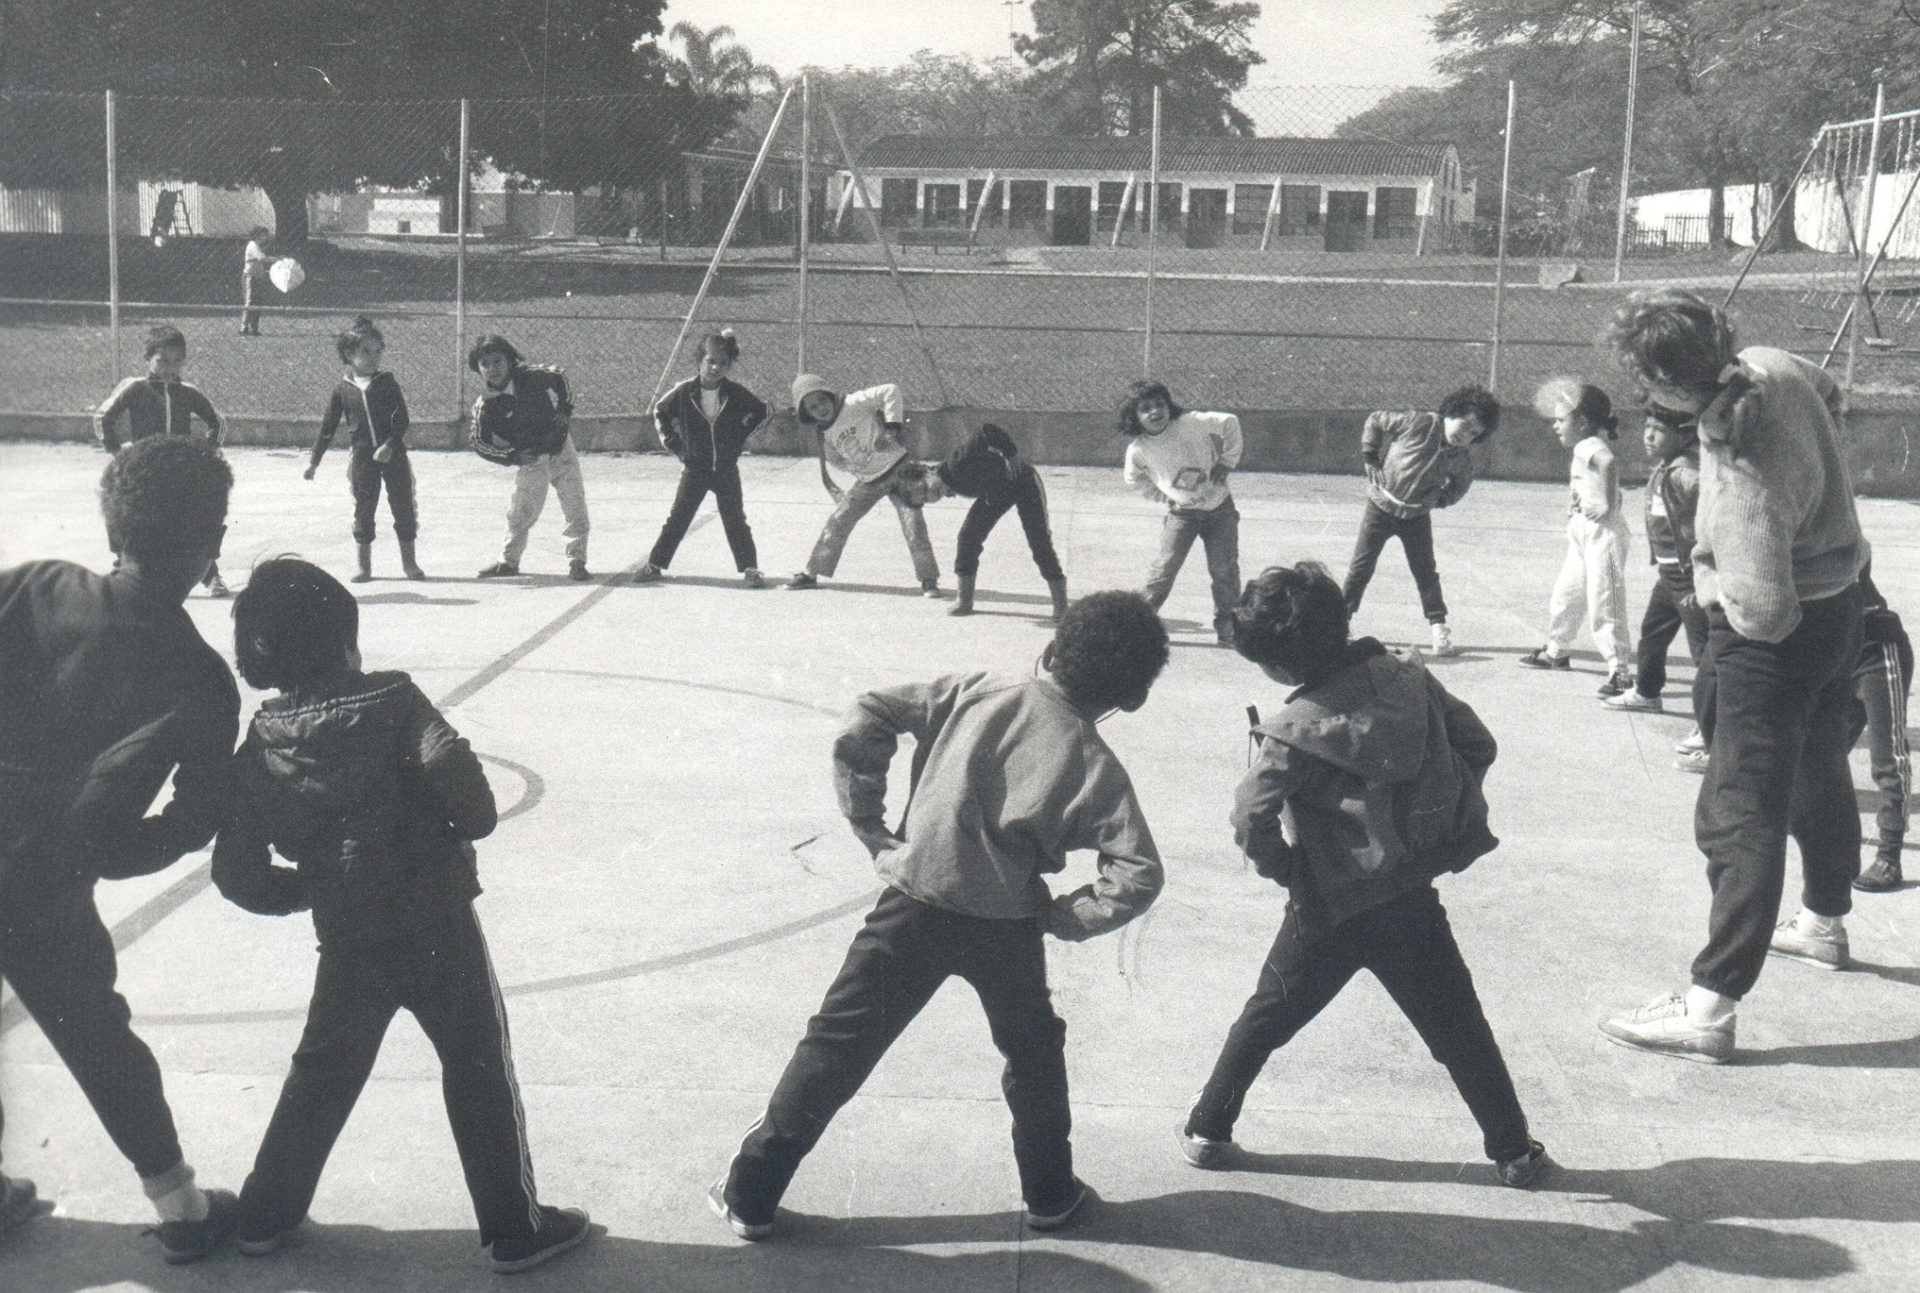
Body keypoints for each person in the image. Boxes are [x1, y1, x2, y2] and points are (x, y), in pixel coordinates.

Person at [712, 591, 1170, 1240]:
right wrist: (1066, 916)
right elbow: (1140, 872)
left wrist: (867, 814)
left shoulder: (976, 690)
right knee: (1033, 1057)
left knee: (836, 1045)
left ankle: (749, 1194)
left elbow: (870, 710)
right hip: (1007, 927)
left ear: (1051, 649)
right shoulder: (1097, 764)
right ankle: (1050, 1194)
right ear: (1129, 698)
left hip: (911, 906)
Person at [210, 558, 590, 1273]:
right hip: (437, 923)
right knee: (476, 1063)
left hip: (347, 934)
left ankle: (264, 1213)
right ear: (347, 643)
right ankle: (514, 1227)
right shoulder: (394, 697)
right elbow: (472, 803)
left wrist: (308, 890)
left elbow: (236, 873)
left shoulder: (260, 746)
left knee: (321, 1071)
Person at [1179, 563, 1549, 1188]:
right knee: (1460, 1029)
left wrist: (1286, 867)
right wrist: (1427, 821)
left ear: (1278, 666)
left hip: (1326, 905)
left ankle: (1207, 1129)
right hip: (1409, 897)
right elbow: (1477, 744)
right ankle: (1515, 1151)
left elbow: (1249, 817)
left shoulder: (1292, 731)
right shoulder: (1407, 678)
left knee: (1267, 1016)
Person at [1598, 289, 1866, 1063]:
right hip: (1840, 608)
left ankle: (1710, 1002)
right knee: (1818, 769)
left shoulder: (1738, 460)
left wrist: (1715, 596)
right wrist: (1821, 476)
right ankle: (1822, 920)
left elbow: (1763, 604)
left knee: (1739, 809)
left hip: (1771, 640)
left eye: (1645, 383)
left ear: (1667, 385)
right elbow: (1830, 392)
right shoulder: (1772, 365)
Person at [0, 437, 242, 1262]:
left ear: (116, 526)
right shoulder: (202, 678)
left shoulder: (34, 583)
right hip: (41, 882)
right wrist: (101, 849)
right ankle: (181, 1206)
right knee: (98, 1034)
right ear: (210, 543)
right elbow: (192, 819)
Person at [1340, 384, 1497, 657]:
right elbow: (1376, 420)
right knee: (1360, 568)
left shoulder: (1461, 458)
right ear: (1451, 411)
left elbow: (1460, 485)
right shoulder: (1417, 422)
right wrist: (1370, 456)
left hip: (1416, 517)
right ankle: (1339, 625)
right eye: (1465, 424)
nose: (1466, 435)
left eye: (1474, 434)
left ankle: (1439, 630)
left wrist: (1439, 500)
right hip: (1380, 508)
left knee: (1425, 573)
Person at [92, 325, 230, 598]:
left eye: (178, 361)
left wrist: (204, 453)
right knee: (133, 518)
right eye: (163, 360)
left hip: (181, 471)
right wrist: (117, 451)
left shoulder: (188, 392)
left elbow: (218, 422)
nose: (170, 367)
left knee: (191, 521)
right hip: (144, 471)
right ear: (147, 358)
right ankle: (125, 570)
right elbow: (102, 417)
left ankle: (210, 576)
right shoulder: (134, 388)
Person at [1517, 380, 1634, 696]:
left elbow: (1609, 463)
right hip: (1584, 533)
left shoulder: (1588, 444)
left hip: (1604, 535)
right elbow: (1592, 477)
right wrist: (1579, 501)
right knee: (1567, 592)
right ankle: (1557, 651)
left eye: (1560, 420)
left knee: (1604, 600)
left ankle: (1620, 671)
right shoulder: (1584, 445)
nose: (1555, 426)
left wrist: (1608, 503)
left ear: (1581, 423)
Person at [786, 374, 943, 595]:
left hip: (901, 471)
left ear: (830, 395)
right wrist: (855, 467)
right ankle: (811, 573)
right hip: (868, 481)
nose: (820, 408)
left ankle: (929, 579)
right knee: (838, 522)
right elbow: (833, 457)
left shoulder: (853, 403)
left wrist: (892, 426)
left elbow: (890, 390)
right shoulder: (825, 432)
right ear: (807, 414)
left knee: (914, 525)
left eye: (822, 400)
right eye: (812, 407)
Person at [637, 329, 768, 588]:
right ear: (700, 361)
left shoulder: (736, 393)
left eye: (723, 363)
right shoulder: (684, 392)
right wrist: (677, 447)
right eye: (711, 361)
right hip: (695, 468)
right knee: (678, 517)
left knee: (735, 518)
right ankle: (655, 565)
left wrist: (740, 437)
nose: (716, 367)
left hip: (726, 469)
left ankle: (751, 569)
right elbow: (660, 411)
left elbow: (763, 411)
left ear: (729, 366)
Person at [1120, 381, 1243, 646]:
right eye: (1145, 409)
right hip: (1182, 515)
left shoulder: (1191, 423)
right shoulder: (1138, 450)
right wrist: (1163, 495)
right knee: (1163, 570)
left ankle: (1229, 630)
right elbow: (1134, 479)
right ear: (1134, 417)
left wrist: (1227, 461)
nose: (1155, 412)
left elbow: (1231, 422)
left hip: (1219, 510)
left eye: (1160, 404)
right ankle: (1137, 627)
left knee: (1225, 572)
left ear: (1169, 405)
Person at [304, 317, 425, 583]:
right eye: (366, 352)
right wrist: (314, 461)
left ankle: (410, 563)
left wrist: (390, 445)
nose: (374, 357)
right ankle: (364, 567)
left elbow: (402, 419)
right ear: (349, 354)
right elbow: (328, 426)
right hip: (361, 458)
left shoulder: (387, 383)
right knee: (363, 507)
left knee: (403, 505)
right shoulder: (343, 390)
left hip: (393, 456)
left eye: (378, 351)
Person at [1606, 407, 1707, 714]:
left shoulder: (1683, 472)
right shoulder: (1667, 467)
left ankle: (1713, 724)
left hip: (1688, 576)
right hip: (1668, 573)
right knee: (1653, 632)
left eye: (1659, 430)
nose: (1648, 436)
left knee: (1705, 651)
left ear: (1684, 435)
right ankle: (1647, 693)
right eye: (1647, 427)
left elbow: (1708, 496)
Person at [468, 335, 590, 582]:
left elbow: (559, 375)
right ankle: (508, 562)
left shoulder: (531, 376)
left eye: (498, 361)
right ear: (477, 369)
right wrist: (513, 456)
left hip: (561, 450)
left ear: (510, 361)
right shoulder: (486, 406)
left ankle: (577, 561)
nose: (492, 369)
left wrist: (565, 410)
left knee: (575, 507)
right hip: (531, 460)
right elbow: (479, 443)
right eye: (485, 364)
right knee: (520, 512)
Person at [937, 422, 1068, 620]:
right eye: (927, 497)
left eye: (926, 489)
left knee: (1039, 542)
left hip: (1025, 482)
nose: (933, 495)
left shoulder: (958, 462)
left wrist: (1011, 453)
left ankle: (1061, 606)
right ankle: (964, 601)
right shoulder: (949, 485)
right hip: (997, 494)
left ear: (928, 473)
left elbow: (986, 430)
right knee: (968, 537)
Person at [1851, 564, 1911, 893]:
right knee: (1819, 753)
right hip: (1836, 653)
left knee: (1889, 759)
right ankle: (1826, 830)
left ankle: (1890, 856)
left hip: (1877, 650)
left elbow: (1859, 556)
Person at [241, 227, 271, 336]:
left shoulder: (257, 247)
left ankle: (254, 328)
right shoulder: (252, 245)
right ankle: (243, 328)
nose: (267, 237)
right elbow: (261, 258)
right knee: (250, 302)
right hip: (250, 277)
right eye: (265, 235)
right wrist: (276, 259)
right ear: (258, 235)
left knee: (257, 302)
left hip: (257, 278)